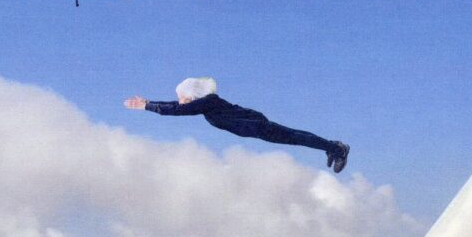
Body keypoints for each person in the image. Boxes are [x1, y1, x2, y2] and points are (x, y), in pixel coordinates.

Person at [125, 77, 350, 173]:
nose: (180, 99)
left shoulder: (207, 102)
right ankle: (332, 147)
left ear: (191, 95)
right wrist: (148, 103)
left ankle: (336, 148)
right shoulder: (205, 104)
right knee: (294, 136)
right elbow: (176, 106)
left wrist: (147, 107)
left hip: (256, 126)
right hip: (254, 126)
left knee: (295, 137)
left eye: (182, 95)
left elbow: (177, 109)